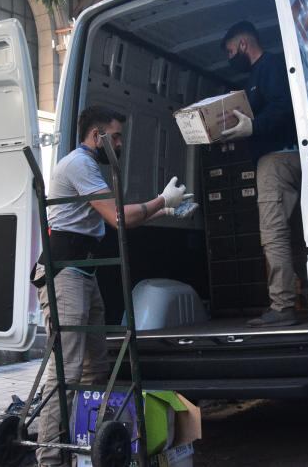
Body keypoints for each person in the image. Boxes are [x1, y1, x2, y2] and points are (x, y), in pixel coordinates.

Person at [34, 105, 190, 467]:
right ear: (96, 136)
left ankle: (81, 444)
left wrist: (164, 211)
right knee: (68, 369)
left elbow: (113, 213)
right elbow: (120, 217)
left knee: (95, 368)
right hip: (66, 273)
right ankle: (49, 458)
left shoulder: (87, 167)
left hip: (83, 273)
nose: (120, 143)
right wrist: (162, 201)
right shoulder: (80, 164)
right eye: (115, 136)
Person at [219, 21, 302, 328]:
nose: (230, 59)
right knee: (298, 233)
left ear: (243, 44)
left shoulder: (271, 66)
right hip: (288, 157)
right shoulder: (256, 77)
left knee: (273, 234)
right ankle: (306, 299)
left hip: (277, 159)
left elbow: (284, 107)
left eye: (230, 51)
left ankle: (282, 306)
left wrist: (253, 127)